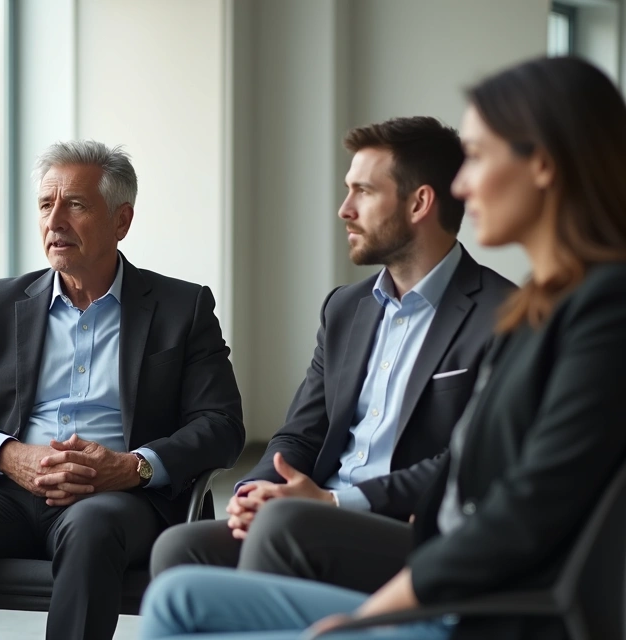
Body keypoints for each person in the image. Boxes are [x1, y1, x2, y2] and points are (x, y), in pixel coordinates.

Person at [140, 55, 626, 640]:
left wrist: (369, 610)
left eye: (476, 156)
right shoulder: (543, 308)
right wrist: (259, 489)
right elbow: (308, 432)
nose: (462, 185)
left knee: (249, 557)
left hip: (477, 605)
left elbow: (520, 509)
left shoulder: (592, 313)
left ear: (542, 163)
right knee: (176, 591)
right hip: (434, 562)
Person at [150, 117, 516, 594]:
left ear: (420, 202)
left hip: (414, 530)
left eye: (363, 191)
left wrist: (337, 504)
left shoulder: (503, 315)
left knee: (285, 531)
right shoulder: (346, 308)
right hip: (313, 512)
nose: (345, 210)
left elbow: (466, 462)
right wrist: (253, 491)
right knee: (179, 549)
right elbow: (302, 433)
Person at [0, 140, 246, 640]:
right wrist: (11, 455)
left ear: (121, 221)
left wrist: (132, 466)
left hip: (117, 495)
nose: (54, 220)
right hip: (7, 490)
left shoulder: (180, 307)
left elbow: (222, 426)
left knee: (92, 530)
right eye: (45, 205)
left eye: (75, 205)